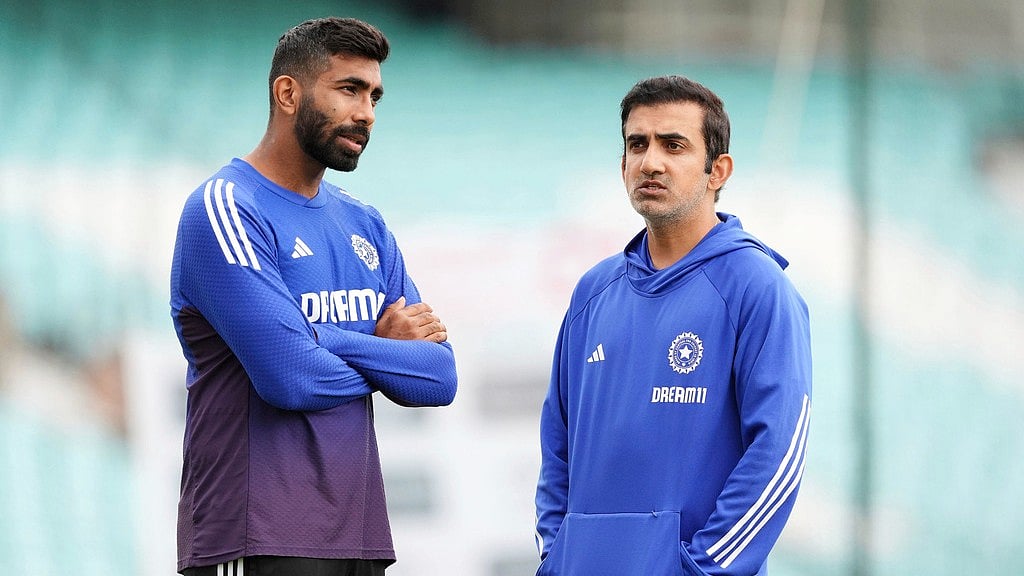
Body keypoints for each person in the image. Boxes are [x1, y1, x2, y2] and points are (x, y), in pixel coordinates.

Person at [169, 17, 457, 576]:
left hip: (359, 537)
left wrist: (322, 339)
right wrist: (376, 348)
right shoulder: (224, 208)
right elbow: (290, 378)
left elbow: (437, 377)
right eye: (349, 89)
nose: (367, 112)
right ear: (287, 93)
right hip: (257, 537)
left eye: (374, 96)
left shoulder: (364, 223)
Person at [534, 75, 812, 576]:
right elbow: (557, 447)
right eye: (636, 144)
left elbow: (779, 455)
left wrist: (699, 569)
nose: (650, 161)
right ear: (622, 164)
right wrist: (557, 558)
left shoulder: (756, 287)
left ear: (717, 170)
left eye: (674, 145)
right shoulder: (591, 294)